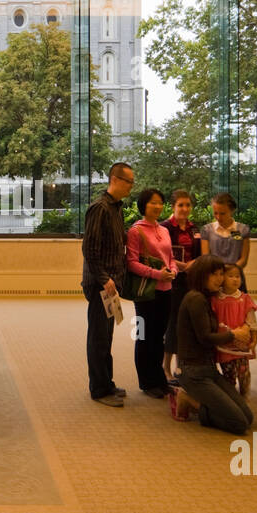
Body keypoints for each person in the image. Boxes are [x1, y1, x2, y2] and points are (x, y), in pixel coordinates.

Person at [175, 256, 254, 434]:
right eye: (214, 275)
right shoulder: (195, 298)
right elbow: (205, 338)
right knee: (239, 423)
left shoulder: (208, 298)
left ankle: (200, 404)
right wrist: (234, 334)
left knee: (248, 417)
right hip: (193, 372)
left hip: (209, 370)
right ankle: (189, 400)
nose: (220, 279)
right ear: (202, 275)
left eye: (221, 274)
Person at [81, 162, 135, 408]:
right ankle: (99, 389)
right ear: (116, 179)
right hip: (101, 286)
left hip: (112, 287)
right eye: (129, 182)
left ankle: (107, 382)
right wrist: (105, 279)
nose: (131, 187)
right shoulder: (100, 208)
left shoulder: (116, 209)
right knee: (98, 337)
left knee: (107, 335)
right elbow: (89, 250)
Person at [127, 187, 176, 397]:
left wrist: (173, 270)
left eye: (160, 202)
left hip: (166, 290)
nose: (157, 206)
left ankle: (159, 379)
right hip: (146, 292)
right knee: (145, 335)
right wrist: (157, 274)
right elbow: (131, 263)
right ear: (143, 206)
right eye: (152, 202)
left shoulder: (164, 230)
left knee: (160, 336)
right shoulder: (135, 231)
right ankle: (147, 382)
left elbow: (171, 257)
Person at [160, 189, 202, 382]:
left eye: (187, 205)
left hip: (192, 282)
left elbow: (200, 253)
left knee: (186, 325)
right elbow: (162, 256)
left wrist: (195, 265)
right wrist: (185, 266)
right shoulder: (165, 228)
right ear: (173, 207)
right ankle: (165, 367)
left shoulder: (195, 228)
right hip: (173, 281)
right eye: (180, 205)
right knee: (173, 324)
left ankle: (180, 367)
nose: (185, 209)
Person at [212, 263, 257, 397]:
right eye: (230, 276)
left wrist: (254, 339)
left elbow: (252, 321)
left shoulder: (245, 298)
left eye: (238, 276)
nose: (235, 279)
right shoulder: (216, 299)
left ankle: (244, 396)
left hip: (241, 344)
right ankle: (231, 397)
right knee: (228, 373)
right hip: (224, 344)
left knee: (243, 372)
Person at [202, 192, 251, 293]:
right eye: (215, 213)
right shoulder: (207, 230)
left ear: (231, 211)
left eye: (223, 213)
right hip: (215, 280)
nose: (219, 217)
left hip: (235, 280)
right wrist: (220, 275)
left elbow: (243, 259)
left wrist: (230, 273)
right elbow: (206, 257)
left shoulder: (241, 230)